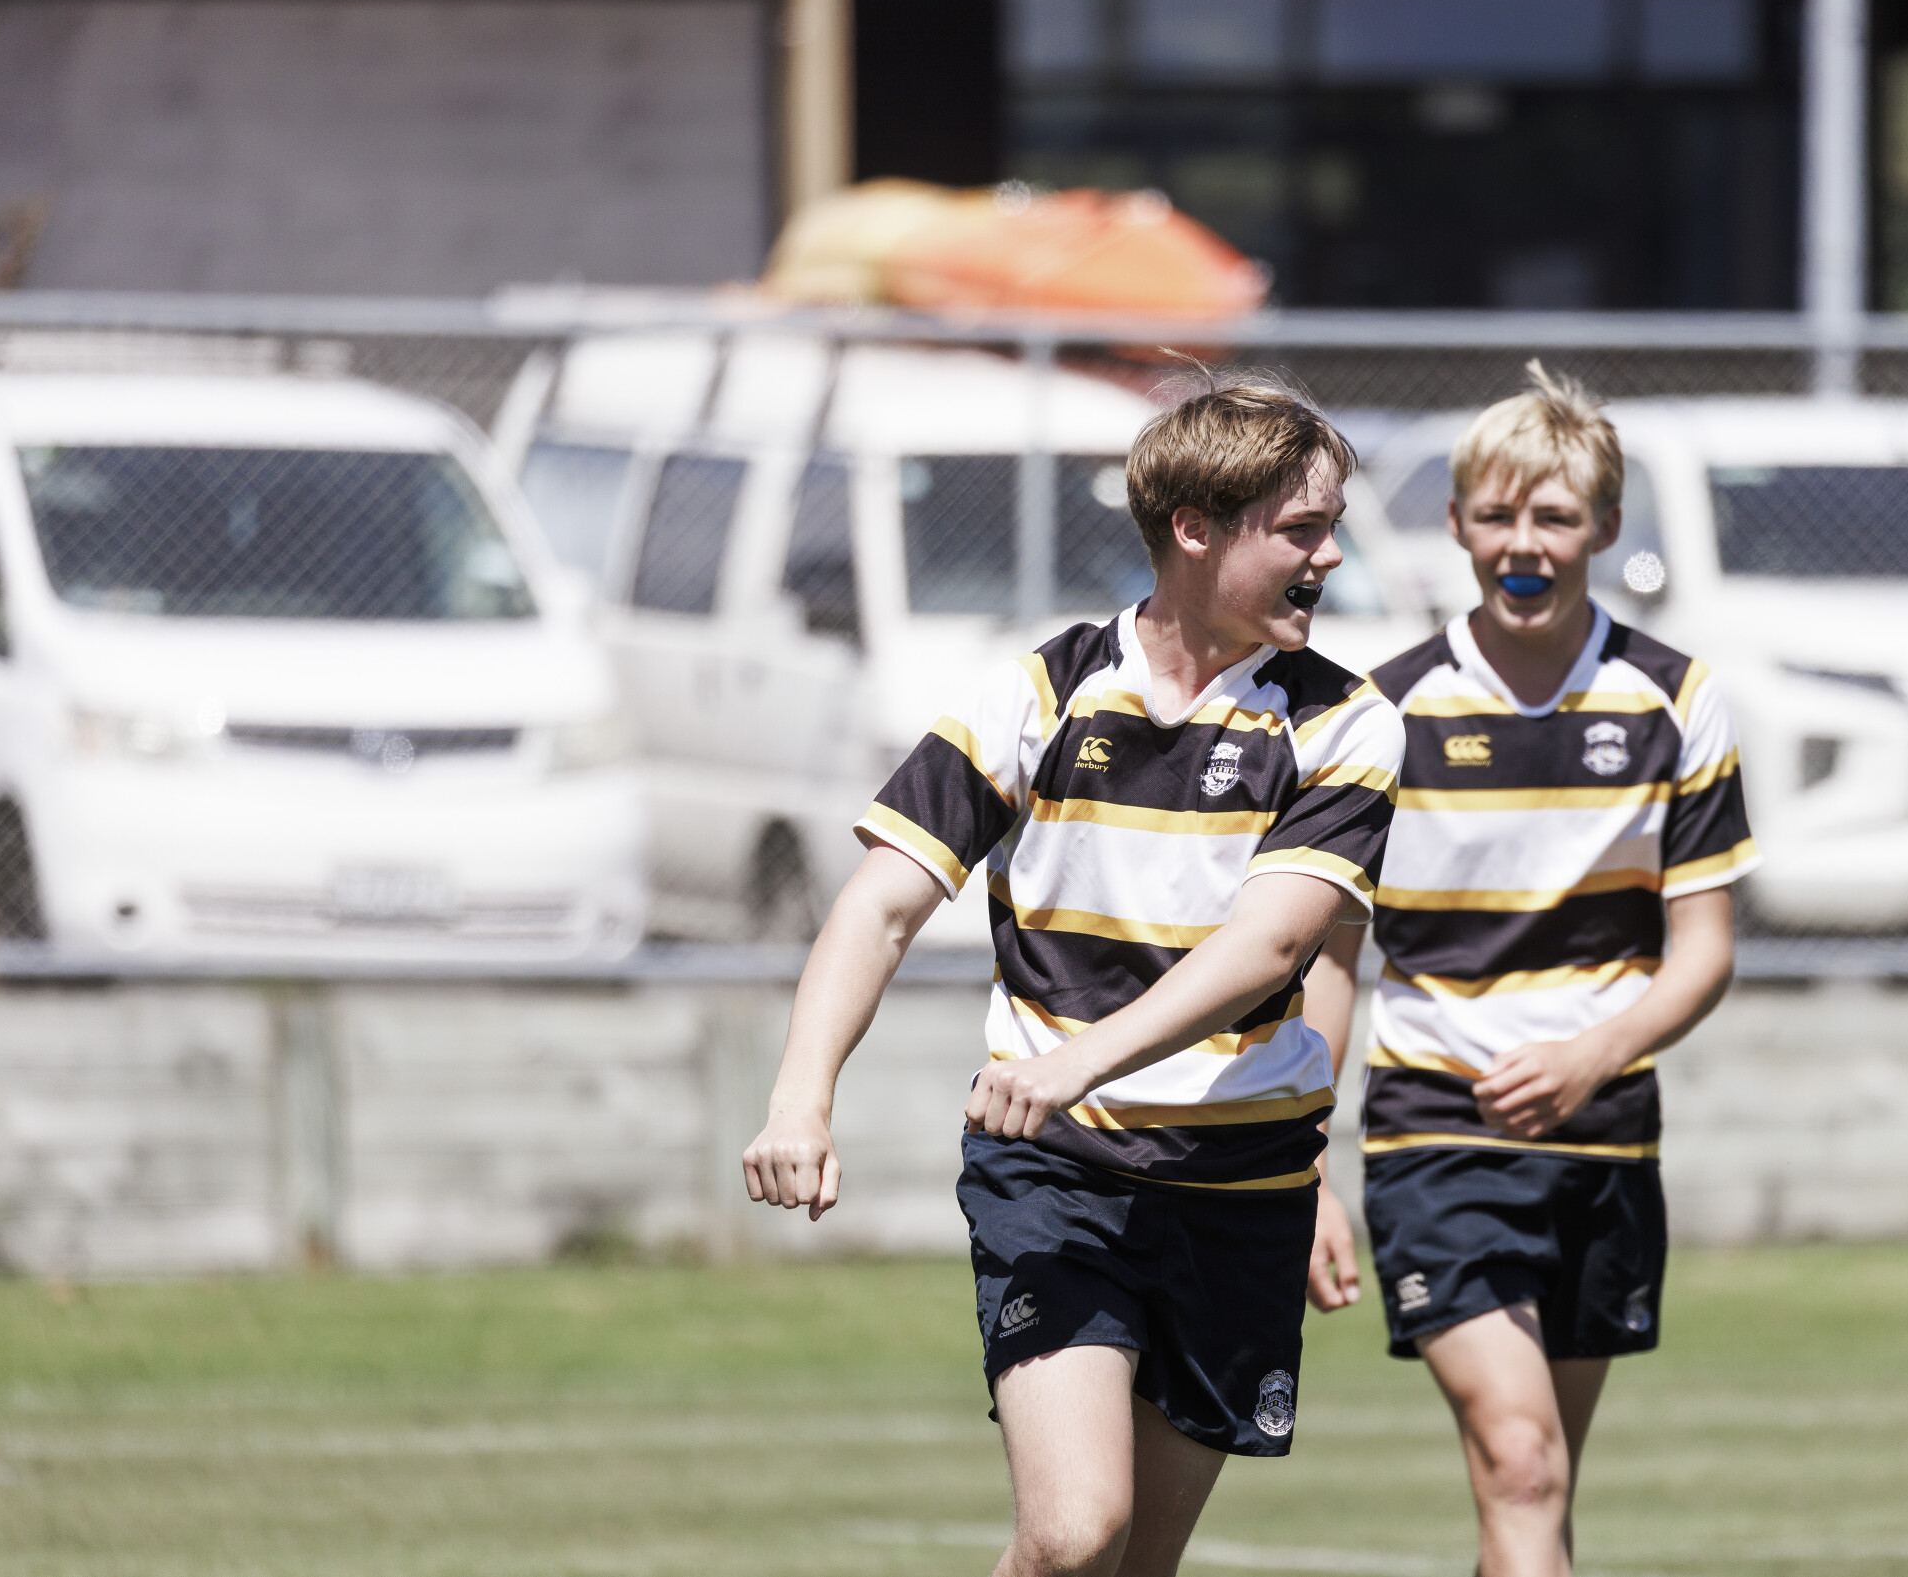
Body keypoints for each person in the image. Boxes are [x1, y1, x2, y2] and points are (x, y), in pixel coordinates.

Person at [744, 375, 1405, 1577]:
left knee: (1132, 1563)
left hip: (1242, 1182)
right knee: (1072, 1531)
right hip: (1058, 1173)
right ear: (1195, 528)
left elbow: (1270, 947)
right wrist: (800, 1096)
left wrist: (1080, 1061)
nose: (1330, 555)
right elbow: (881, 905)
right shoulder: (1039, 693)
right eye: (1302, 529)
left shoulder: (1344, 725)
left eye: (1333, 525)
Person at [1304, 362, 1755, 1577]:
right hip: (1434, 1130)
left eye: (1553, 516)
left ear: (1604, 526)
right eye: (1497, 514)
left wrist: (1589, 1057)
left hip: (1601, 1134)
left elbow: (1705, 948)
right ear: (1456, 524)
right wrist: (1304, 1160)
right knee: (1521, 1458)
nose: (1523, 543)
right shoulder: (1385, 713)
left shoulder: (1675, 698)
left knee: (1539, 1491)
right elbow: (1329, 958)